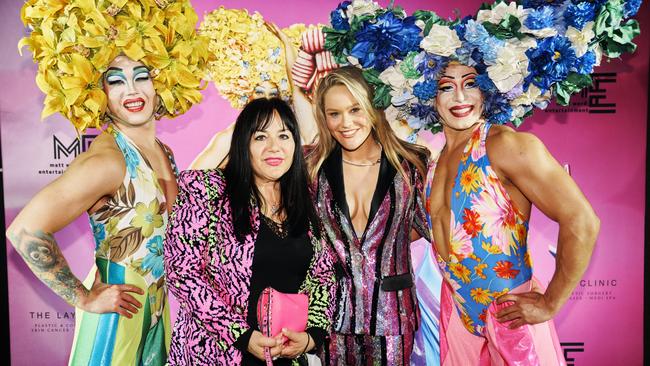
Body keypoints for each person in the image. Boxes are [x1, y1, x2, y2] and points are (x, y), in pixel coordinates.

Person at [6, 1, 209, 365]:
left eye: (141, 75)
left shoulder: (162, 150)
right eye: (115, 80)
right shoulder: (107, 160)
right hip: (119, 320)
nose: (131, 90)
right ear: (99, 94)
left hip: (157, 315)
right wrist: (83, 297)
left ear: (161, 80)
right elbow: (24, 229)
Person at [424, 60, 600, 365]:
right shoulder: (431, 163)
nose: (460, 97)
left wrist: (549, 303)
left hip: (512, 317)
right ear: (428, 95)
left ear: (488, 89)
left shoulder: (506, 145)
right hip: (459, 317)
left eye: (471, 83)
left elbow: (582, 220)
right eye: (445, 87)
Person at [164, 98, 336, 365]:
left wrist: (311, 335)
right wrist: (241, 335)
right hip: (217, 354)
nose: (274, 147)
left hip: (283, 355)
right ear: (243, 143)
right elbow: (182, 272)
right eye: (260, 137)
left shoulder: (306, 199)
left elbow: (322, 275)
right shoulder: (209, 191)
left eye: (283, 135)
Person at [306, 66, 430, 366]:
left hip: (394, 318)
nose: (345, 123)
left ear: (373, 108)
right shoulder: (311, 170)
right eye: (334, 114)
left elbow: (431, 230)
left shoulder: (412, 165)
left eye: (354, 109)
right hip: (329, 321)